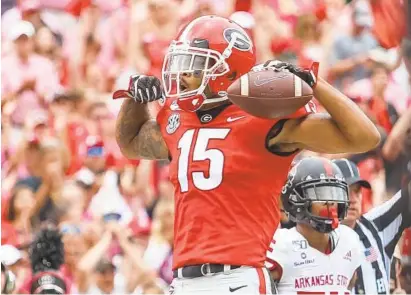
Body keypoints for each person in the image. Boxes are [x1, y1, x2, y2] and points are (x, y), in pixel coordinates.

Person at [113, 15, 380, 294]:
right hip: (183, 280)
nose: (181, 75)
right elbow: (130, 143)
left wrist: (314, 83)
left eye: (194, 65)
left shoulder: (263, 118)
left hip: (239, 278)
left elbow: (364, 136)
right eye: (182, 63)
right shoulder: (180, 119)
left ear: (228, 71)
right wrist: (135, 101)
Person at [265, 157, 363, 294]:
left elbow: (350, 283)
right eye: (321, 193)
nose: (330, 202)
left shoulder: (349, 240)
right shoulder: (281, 245)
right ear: (295, 200)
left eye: (335, 193)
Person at [333, 158, 411, 294]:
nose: (353, 199)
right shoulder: (313, 239)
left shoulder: (376, 226)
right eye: (344, 191)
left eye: (357, 191)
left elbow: (407, 197)